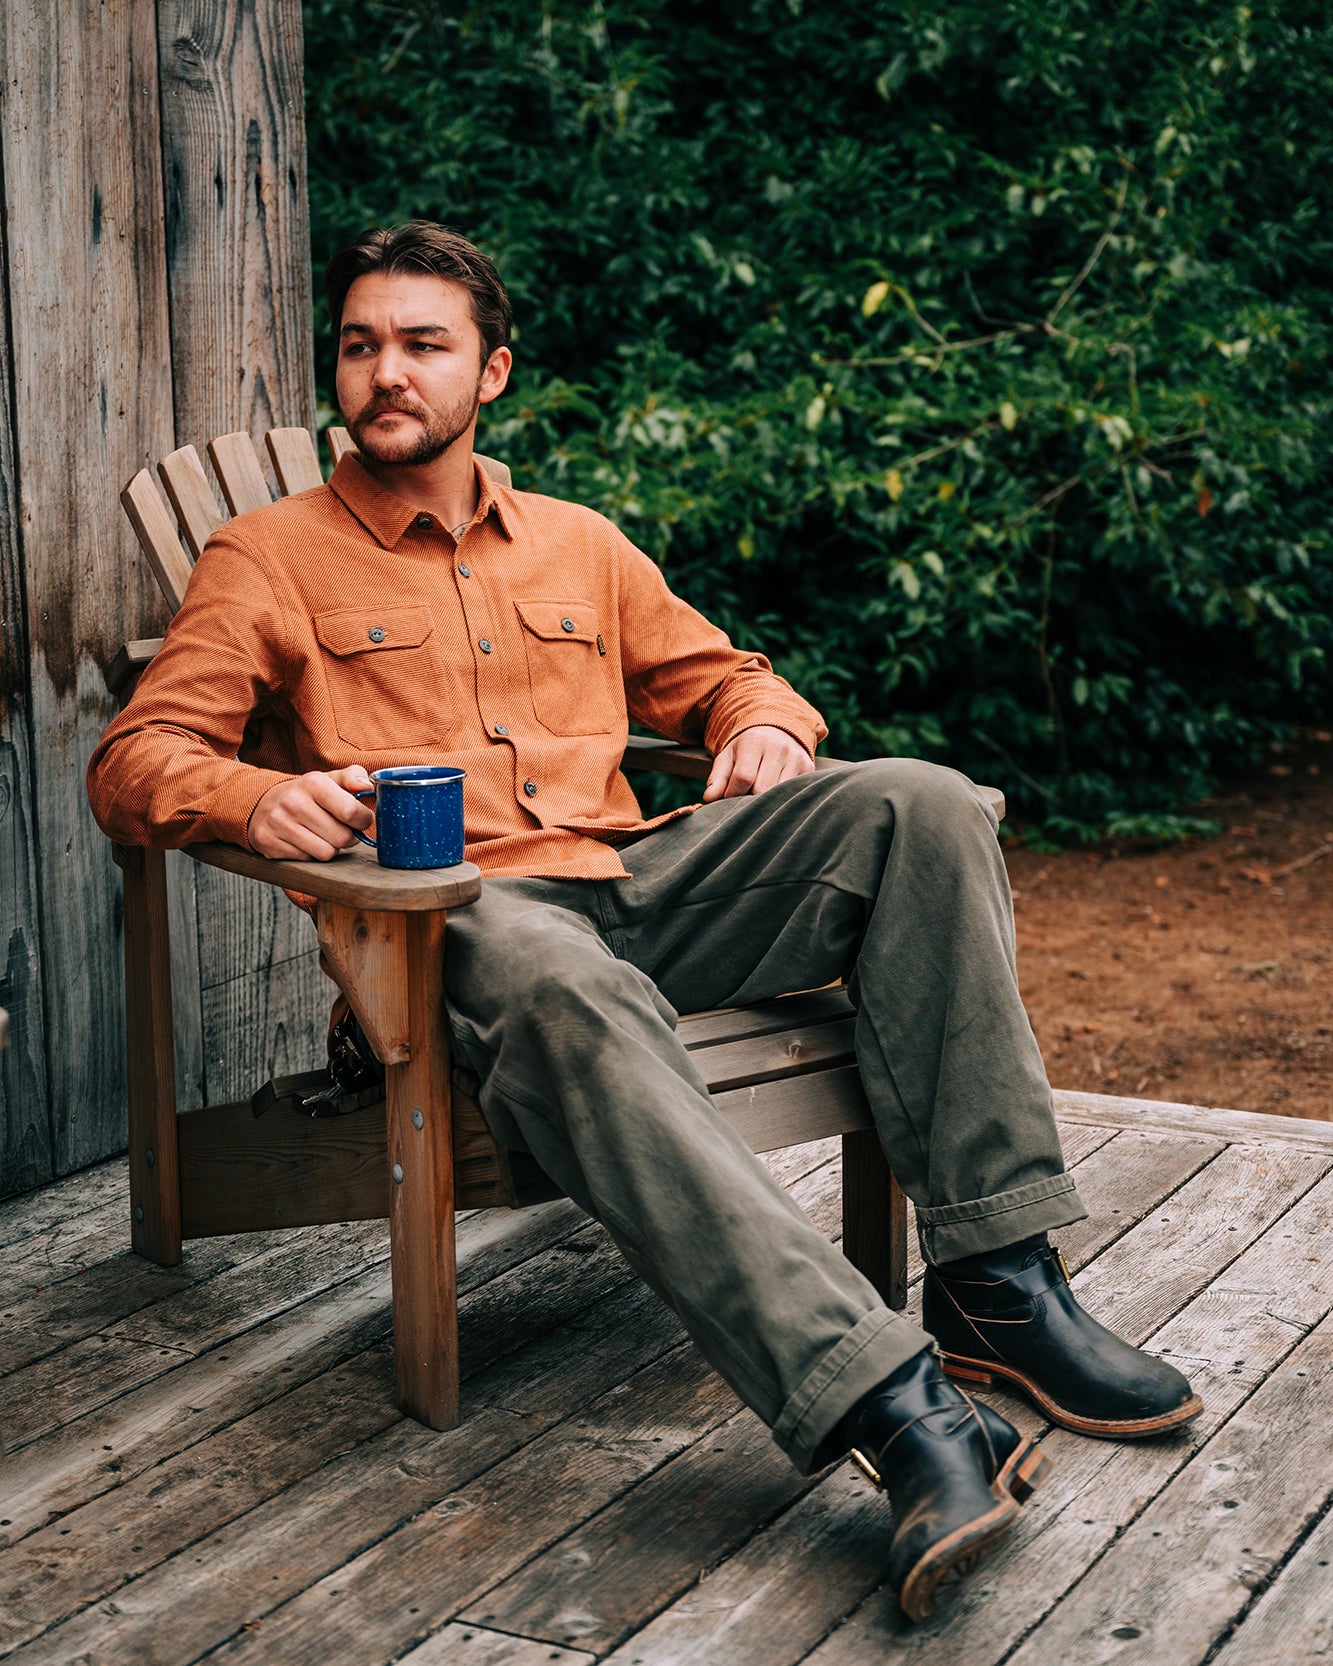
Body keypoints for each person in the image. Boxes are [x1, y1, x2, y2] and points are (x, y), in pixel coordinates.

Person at [87, 221, 1201, 1622]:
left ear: (490, 371)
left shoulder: (579, 542)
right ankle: (893, 1400)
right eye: (361, 342)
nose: (385, 372)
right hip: (455, 921)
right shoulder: (267, 556)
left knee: (920, 802)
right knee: (555, 972)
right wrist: (256, 800)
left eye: (423, 344)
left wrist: (766, 733)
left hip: (638, 888)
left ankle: (996, 1278)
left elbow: (732, 679)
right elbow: (132, 764)